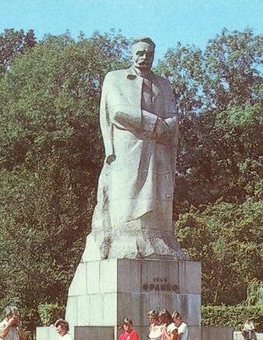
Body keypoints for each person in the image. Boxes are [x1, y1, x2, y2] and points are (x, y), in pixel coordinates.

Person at [80, 37, 186, 261]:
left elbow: (174, 116)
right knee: (127, 192)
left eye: (148, 54)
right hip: (128, 147)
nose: (143, 57)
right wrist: (156, 124)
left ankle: (159, 240)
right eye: (139, 53)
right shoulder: (115, 78)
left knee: (158, 196)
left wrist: (165, 127)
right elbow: (118, 111)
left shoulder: (163, 84)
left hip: (158, 149)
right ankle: (125, 241)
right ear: (131, 54)